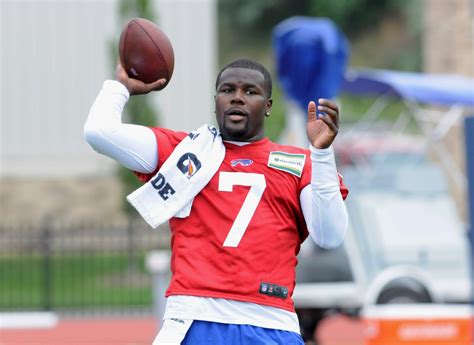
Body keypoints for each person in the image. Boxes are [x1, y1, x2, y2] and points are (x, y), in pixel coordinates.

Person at [84, 59, 348, 344]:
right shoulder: (186, 152)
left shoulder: (301, 163)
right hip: (194, 317)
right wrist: (120, 87)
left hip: (270, 321)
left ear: (268, 105)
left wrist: (321, 154)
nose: (237, 96)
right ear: (215, 101)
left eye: (250, 91)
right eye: (227, 90)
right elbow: (99, 132)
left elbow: (329, 236)